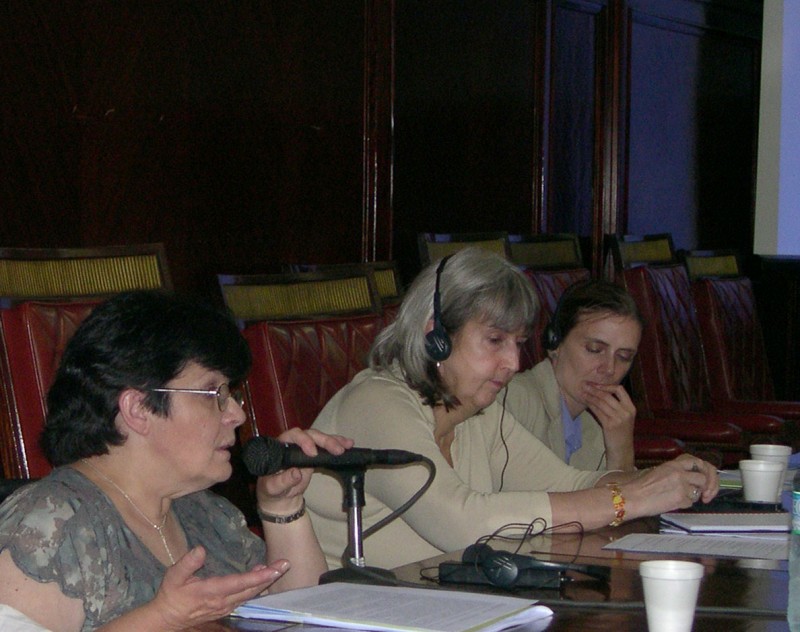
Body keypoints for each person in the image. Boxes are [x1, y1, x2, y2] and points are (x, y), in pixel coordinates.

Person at [304, 248, 719, 570]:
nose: (514, 364)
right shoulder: (377, 402)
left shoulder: (478, 413)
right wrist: (628, 498)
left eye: (518, 344)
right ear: (437, 338)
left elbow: (571, 482)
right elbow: (461, 523)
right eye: (495, 340)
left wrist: (664, 479)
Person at [0, 290, 353, 632]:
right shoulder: (51, 524)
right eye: (215, 393)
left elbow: (303, 618)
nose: (237, 414)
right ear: (139, 410)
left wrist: (282, 506)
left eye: (232, 394)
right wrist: (162, 618)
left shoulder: (207, 515)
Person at [504, 279, 643, 472]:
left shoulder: (593, 431)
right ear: (555, 343)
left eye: (624, 357)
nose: (609, 368)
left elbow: (618, 501)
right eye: (595, 349)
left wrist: (621, 457)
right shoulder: (510, 404)